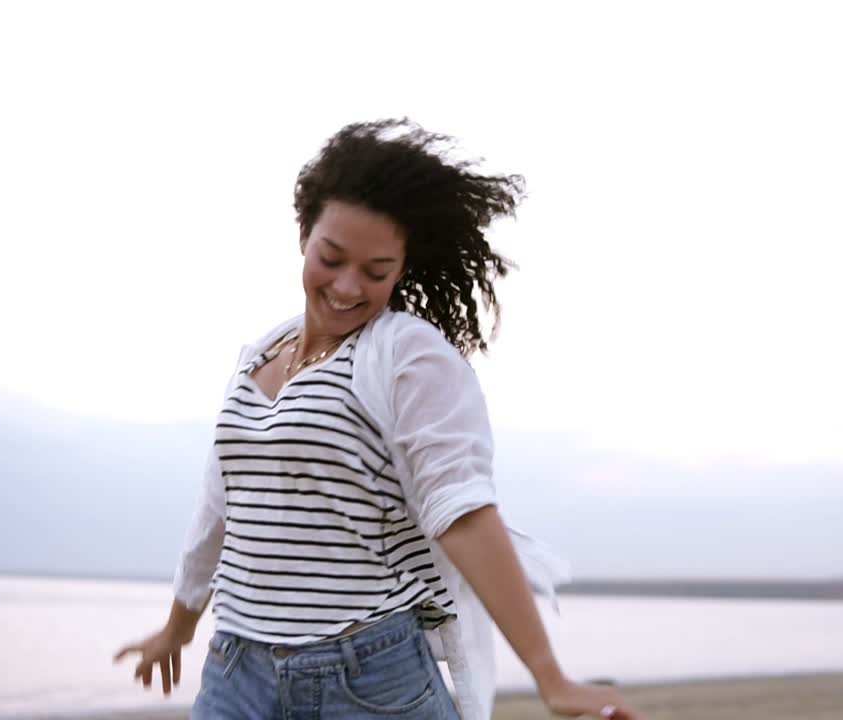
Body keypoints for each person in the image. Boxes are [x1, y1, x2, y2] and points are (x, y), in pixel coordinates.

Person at [114, 119, 642, 720]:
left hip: (365, 681)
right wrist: (178, 628)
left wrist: (551, 679)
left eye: (376, 271)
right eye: (331, 258)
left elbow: (462, 509)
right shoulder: (257, 355)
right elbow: (220, 508)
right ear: (304, 234)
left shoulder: (408, 357)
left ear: (402, 268)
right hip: (236, 672)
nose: (346, 287)